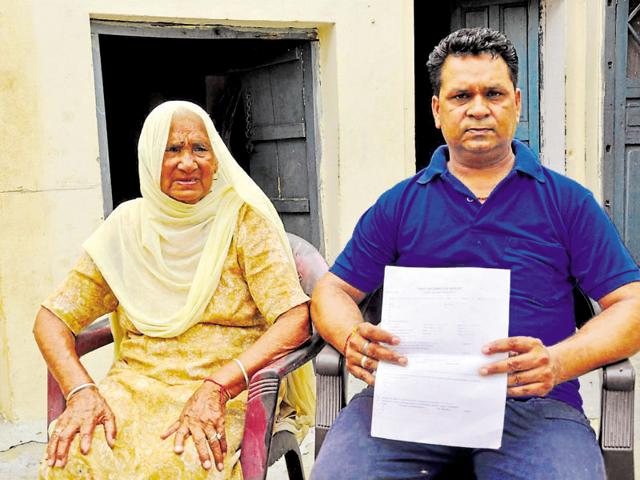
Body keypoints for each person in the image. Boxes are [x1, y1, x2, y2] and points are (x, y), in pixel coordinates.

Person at [310, 28, 640, 480]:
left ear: (517, 103)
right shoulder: (400, 203)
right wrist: (352, 336)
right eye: (461, 95)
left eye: (494, 94)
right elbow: (332, 289)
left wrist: (560, 361)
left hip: (534, 406)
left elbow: (632, 305)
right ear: (436, 110)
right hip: (409, 403)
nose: (479, 109)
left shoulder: (567, 202)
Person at [34, 100, 315, 479]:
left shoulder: (243, 220)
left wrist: (219, 385)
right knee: (73, 455)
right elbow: (51, 319)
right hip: (135, 386)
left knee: (179, 462)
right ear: (150, 158)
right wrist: (81, 390)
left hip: (224, 389)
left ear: (216, 159)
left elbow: (295, 319)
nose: (188, 162)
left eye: (200, 148)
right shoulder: (126, 227)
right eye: (172, 149)